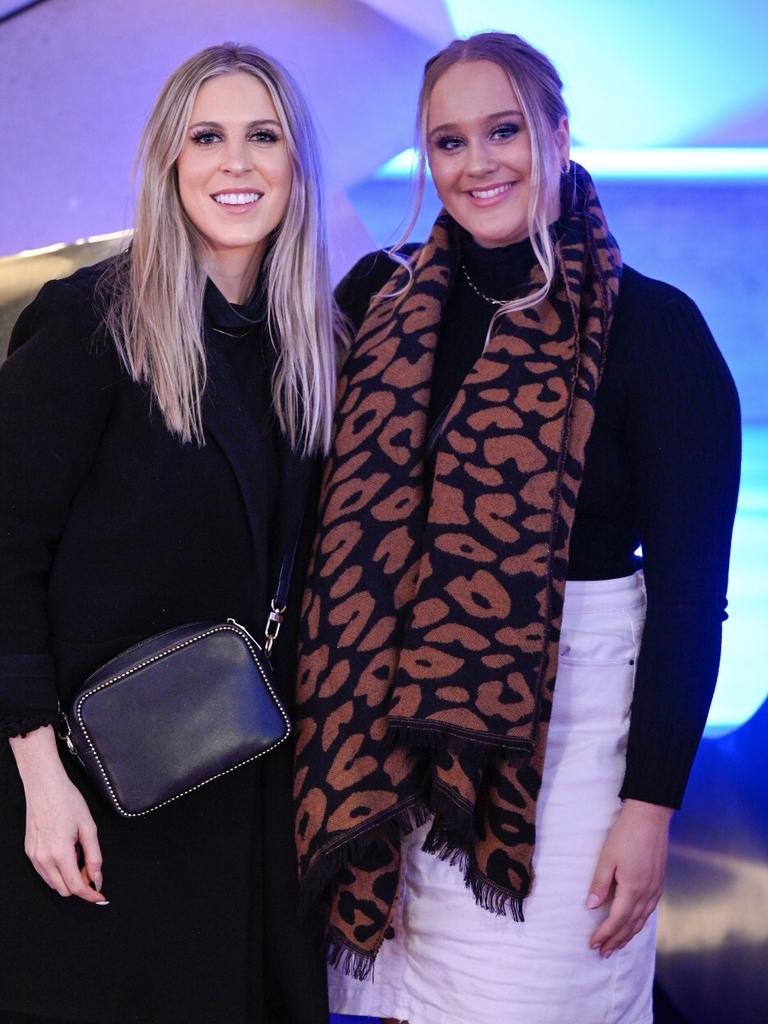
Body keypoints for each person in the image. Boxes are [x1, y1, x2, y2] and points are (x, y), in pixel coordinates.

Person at [293, 31, 741, 1024]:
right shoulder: (378, 303)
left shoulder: (652, 331)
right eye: (448, 142)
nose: (478, 161)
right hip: (387, 747)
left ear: (558, 131)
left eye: (503, 130)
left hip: (569, 759)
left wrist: (650, 809)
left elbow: (690, 602)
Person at [0, 43, 340, 1024]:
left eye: (262, 137)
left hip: (253, 799)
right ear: (169, 162)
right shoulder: (88, 324)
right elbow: (6, 546)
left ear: (295, 164)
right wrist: (40, 782)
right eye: (208, 137)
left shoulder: (315, 349)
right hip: (100, 796)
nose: (236, 164)